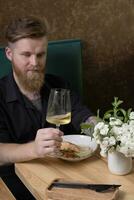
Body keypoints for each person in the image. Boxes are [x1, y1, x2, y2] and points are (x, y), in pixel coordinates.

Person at [0, 16, 97, 200]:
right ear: (9, 54)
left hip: (68, 180)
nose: (35, 63)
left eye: (40, 54)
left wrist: (102, 130)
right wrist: (34, 150)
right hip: (19, 186)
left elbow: (83, 117)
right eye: (26, 55)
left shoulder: (59, 84)